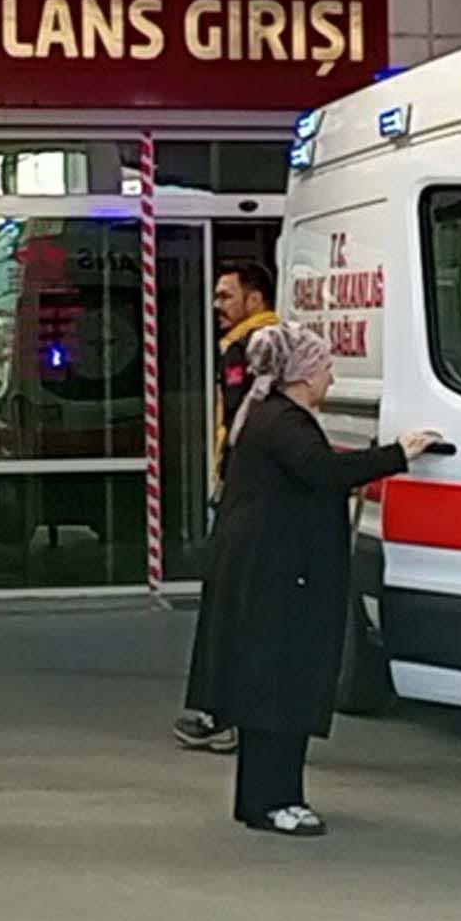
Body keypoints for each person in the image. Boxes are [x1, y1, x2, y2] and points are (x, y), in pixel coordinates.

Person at [203, 323, 439, 836]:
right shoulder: (286, 423)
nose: (331, 377)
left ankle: (260, 798)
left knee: (268, 688)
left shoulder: (264, 416)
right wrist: (399, 454)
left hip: (264, 572)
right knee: (282, 688)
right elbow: (323, 471)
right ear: (303, 374)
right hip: (279, 577)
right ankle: (276, 800)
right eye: (325, 367)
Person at [175, 259, 283, 753]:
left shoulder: (249, 347)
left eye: (226, 296)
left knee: (232, 606)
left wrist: (226, 478)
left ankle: (229, 715)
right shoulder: (270, 341)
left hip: (246, 491)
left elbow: (241, 420)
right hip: (254, 490)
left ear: (254, 299)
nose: (216, 305)